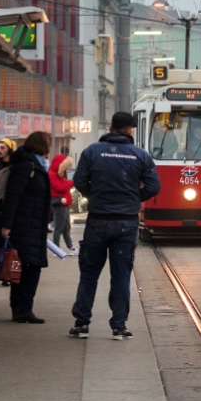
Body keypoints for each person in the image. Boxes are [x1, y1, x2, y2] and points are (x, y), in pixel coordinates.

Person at [69, 112, 161, 340]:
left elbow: (79, 181)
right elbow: (154, 186)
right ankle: (119, 326)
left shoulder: (92, 151)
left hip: (98, 220)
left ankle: (82, 324)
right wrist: (133, 197)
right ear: (131, 130)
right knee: (121, 275)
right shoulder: (140, 155)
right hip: (126, 222)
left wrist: (95, 195)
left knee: (89, 273)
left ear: (110, 127)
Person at [1, 131, 53, 323]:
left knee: (25, 267)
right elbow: (12, 196)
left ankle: (21, 309)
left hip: (33, 224)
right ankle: (22, 309)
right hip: (24, 225)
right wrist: (6, 225)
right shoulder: (27, 166)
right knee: (27, 267)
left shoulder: (35, 165)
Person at [50, 152, 78, 255]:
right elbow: (60, 187)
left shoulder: (59, 175)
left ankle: (70, 247)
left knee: (66, 227)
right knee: (59, 227)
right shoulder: (53, 175)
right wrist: (71, 182)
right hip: (60, 203)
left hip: (64, 203)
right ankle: (56, 249)